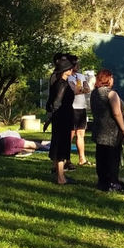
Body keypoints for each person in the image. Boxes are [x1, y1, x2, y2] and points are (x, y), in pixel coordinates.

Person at [89, 69, 124, 192]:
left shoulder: (95, 93)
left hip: (99, 129)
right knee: (113, 157)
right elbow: (117, 113)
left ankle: (102, 181)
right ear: (108, 79)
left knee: (101, 157)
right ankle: (112, 182)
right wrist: (123, 128)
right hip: (112, 131)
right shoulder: (111, 94)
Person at [47, 55, 76, 184]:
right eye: (70, 69)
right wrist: (54, 115)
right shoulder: (62, 84)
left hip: (61, 117)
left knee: (60, 145)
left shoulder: (56, 82)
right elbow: (56, 103)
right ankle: (60, 178)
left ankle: (61, 175)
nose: (72, 71)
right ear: (66, 71)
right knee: (61, 147)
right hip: (62, 117)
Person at [67, 63, 93, 167]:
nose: (77, 66)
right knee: (70, 135)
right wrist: (81, 89)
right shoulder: (68, 77)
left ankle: (82, 158)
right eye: (75, 64)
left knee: (81, 134)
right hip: (72, 108)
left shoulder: (81, 76)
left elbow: (87, 89)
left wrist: (81, 89)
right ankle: (66, 159)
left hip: (81, 107)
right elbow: (75, 91)